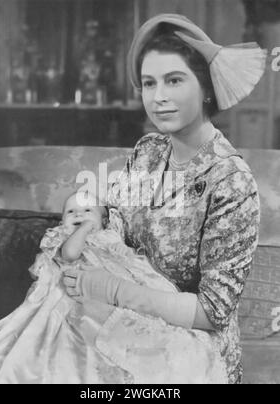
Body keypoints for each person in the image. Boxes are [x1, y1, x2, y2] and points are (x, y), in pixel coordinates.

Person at [63, 14, 266, 384]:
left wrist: (112, 289)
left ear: (205, 88)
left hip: (194, 358)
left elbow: (212, 312)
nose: (159, 97)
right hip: (129, 333)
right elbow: (118, 220)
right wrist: (92, 216)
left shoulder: (231, 182)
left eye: (174, 80)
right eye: (148, 83)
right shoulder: (148, 152)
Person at [0, 191, 226, 383]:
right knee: (74, 343)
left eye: (88, 210)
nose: (78, 214)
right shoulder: (65, 237)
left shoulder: (109, 238)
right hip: (73, 295)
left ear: (104, 220)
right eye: (71, 211)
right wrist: (84, 229)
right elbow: (70, 254)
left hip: (107, 293)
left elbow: (131, 264)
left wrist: (123, 252)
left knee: (144, 333)